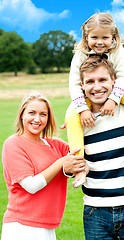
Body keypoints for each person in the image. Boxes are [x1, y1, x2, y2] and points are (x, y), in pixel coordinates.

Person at [67, 55, 124, 240]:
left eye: (102, 79)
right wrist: (70, 169)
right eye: (90, 81)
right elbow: (72, 162)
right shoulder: (79, 119)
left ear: (114, 81)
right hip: (95, 212)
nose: (97, 87)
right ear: (82, 86)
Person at [67, 12, 124, 187]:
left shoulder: (118, 51)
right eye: (94, 37)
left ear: (113, 36)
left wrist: (113, 100)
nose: (99, 42)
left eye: (105, 37)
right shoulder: (80, 54)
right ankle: (79, 167)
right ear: (86, 36)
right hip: (88, 96)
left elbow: (123, 77)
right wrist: (83, 109)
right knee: (71, 114)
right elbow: (75, 84)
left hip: (118, 90)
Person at [1, 91, 85, 240]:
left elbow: (83, 153)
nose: (37, 119)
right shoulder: (13, 144)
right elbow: (31, 185)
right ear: (22, 115)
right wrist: (61, 162)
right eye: (32, 113)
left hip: (48, 226)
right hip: (22, 227)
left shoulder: (57, 146)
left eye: (43, 114)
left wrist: (74, 124)